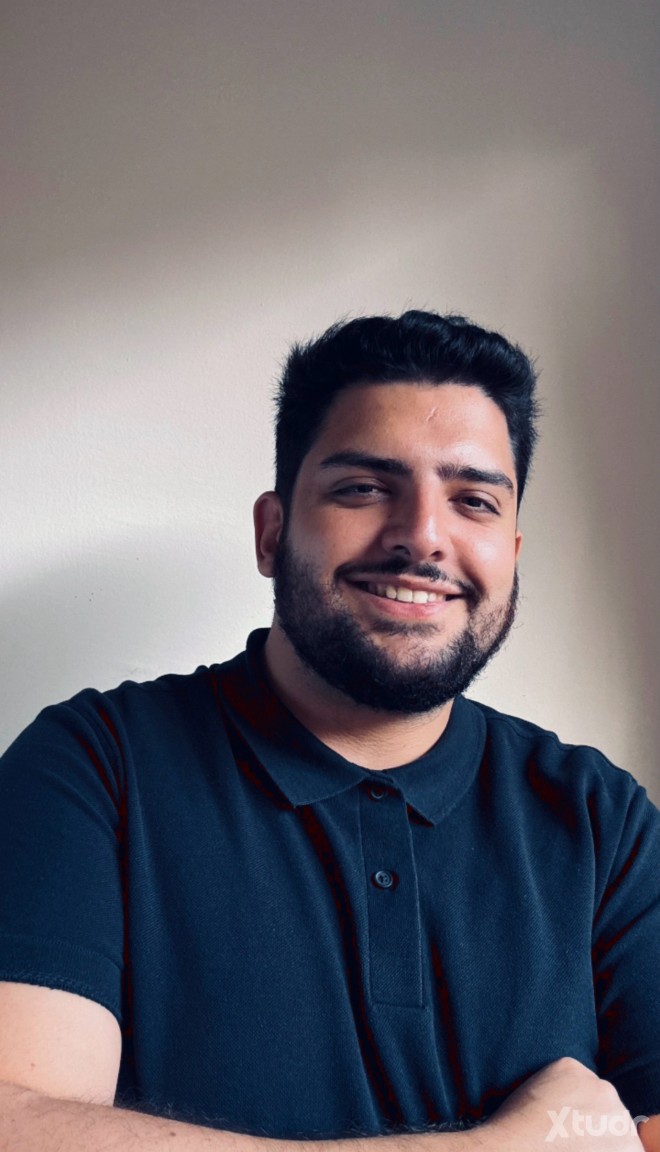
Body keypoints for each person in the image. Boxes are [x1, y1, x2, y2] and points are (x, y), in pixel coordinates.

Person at [0, 310, 659, 1152]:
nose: (423, 536)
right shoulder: (93, 767)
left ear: (513, 551)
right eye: (364, 488)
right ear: (272, 533)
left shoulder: (602, 818)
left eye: (474, 501)